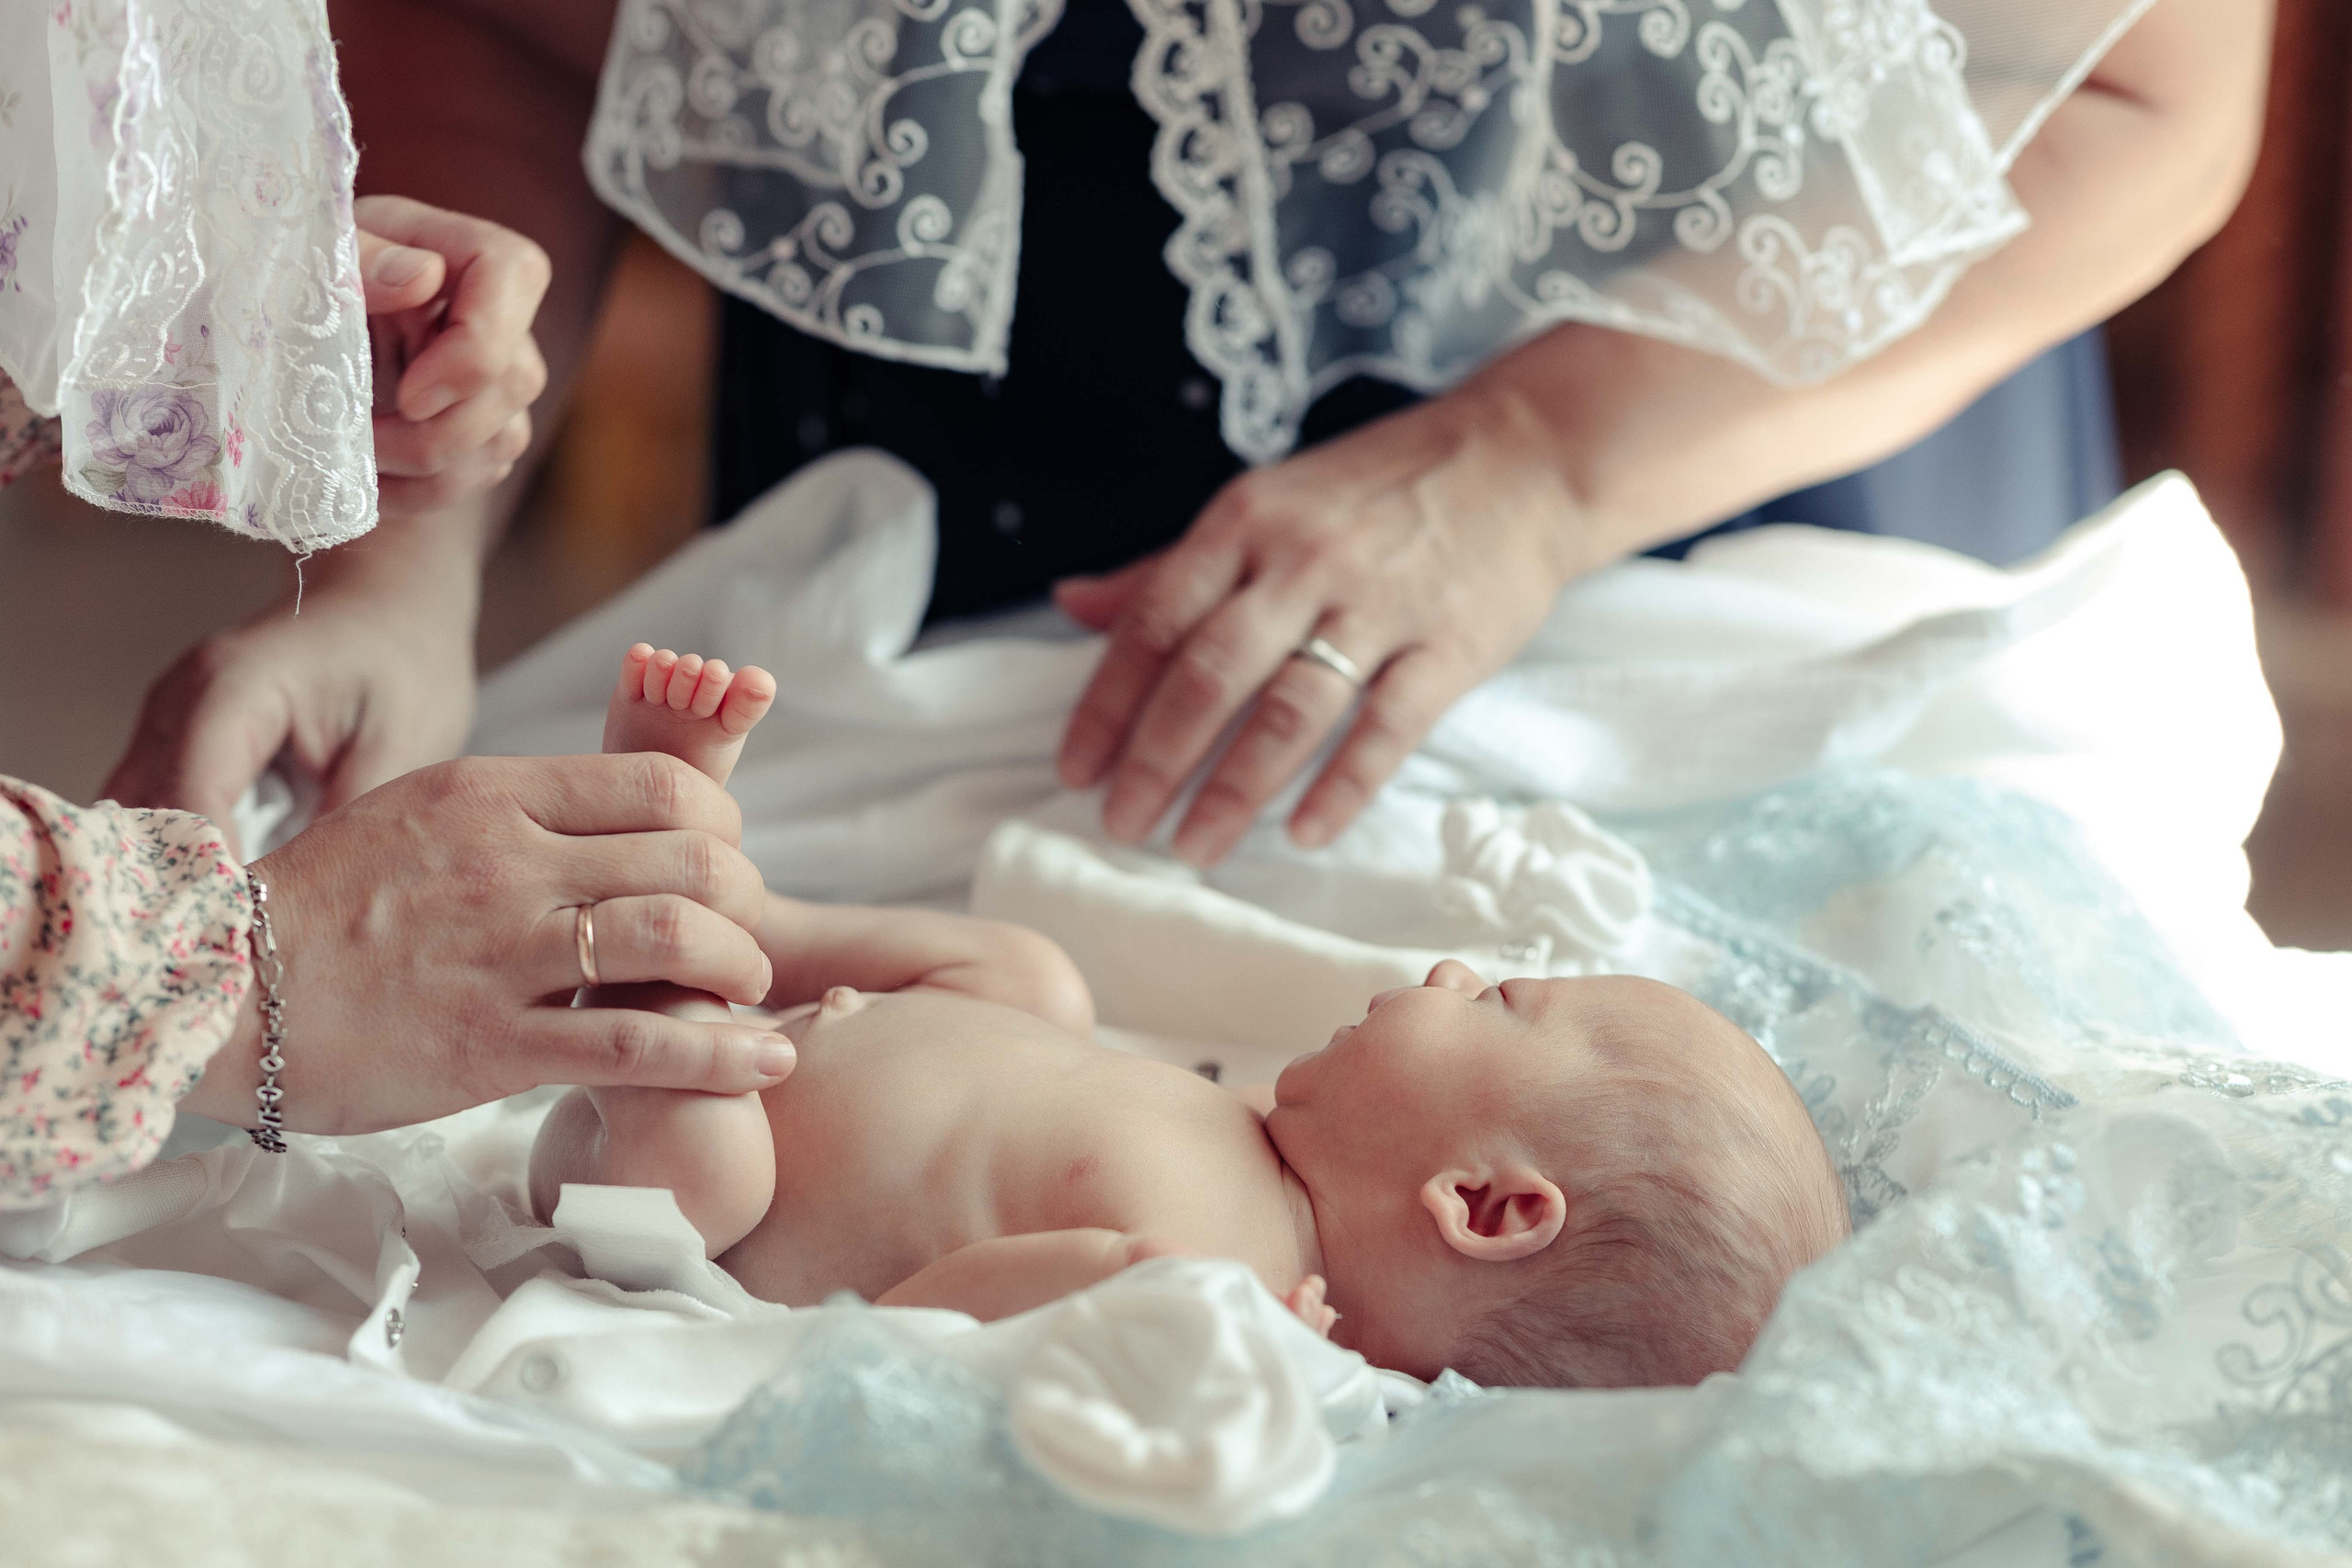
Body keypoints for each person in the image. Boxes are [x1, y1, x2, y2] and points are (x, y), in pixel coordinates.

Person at [102, 0, 2264, 877]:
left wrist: (1529, 467)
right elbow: (505, 20)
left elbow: (2142, 89)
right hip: (924, 546)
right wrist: (395, 545)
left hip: (1733, 491)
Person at [530, 638, 1850, 1385]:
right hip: (831, 1036)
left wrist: (1111, 1290)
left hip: (678, 1210)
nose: (1448, 973)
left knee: (706, 1164)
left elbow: (910, 1345)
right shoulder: (1256, 1148)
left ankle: (660, 899)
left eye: (1499, 999)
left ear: (1486, 1206)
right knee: (1034, 980)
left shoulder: (1225, 1314)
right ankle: (747, 919)